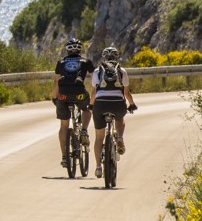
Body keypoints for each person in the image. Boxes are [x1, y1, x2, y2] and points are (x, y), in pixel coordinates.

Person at [89, 45, 138, 178]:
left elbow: (94, 92)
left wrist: (91, 105)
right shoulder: (122, 71)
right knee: (120, 118)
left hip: (100, 104)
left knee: (99, 137)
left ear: (103, 57)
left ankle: (98, 167)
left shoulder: (97, 71)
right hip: (117, 104)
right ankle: (120, 138)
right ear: (117, 57)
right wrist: (132, 104)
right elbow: (126, 93)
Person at [52, 37, 94, 169]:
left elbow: (56, 81)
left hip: (63, 95)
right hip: (79, 93)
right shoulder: (86, 61)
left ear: (67, 50)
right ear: (79, 49)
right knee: (87, 110)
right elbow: (95, 79)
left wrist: (55, 97)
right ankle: (83, 131)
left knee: (64, 126)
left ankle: (65, 157)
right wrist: (94, 95)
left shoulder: (61, 62)